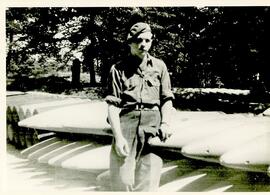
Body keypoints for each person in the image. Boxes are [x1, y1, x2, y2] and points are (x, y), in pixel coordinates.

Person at [105, 22, 174, 191]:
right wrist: (119, 137)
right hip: (127, 123)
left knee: (149, 179)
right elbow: (113, 105)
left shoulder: (160, 66)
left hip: (153, 126)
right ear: (130, 42)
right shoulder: (118, 69)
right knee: (122, 179)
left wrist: (165, 123)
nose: (143, 44)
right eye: (138, 40)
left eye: (147, 40)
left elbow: (167, 99)